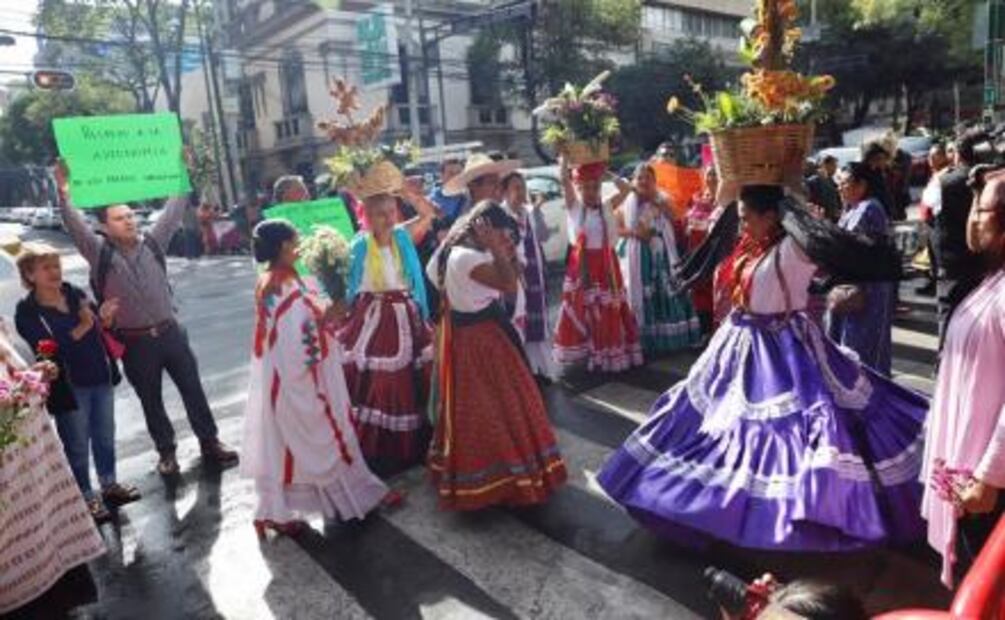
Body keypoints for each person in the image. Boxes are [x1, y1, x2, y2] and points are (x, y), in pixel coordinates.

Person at [598, 185, 928, 551]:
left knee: (776, 433)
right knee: (708, 423)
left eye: (745, 217)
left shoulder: (795, 249)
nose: (739, 225)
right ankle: (704, 510)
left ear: (771, 217)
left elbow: (815, 239)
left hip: (781, 346)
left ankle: (780, 516)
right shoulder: (750, 247)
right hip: (736, 343)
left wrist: (798, 201)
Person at [55, 157, 238, 477]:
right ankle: (166, 452)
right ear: (104, 227)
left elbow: (175, 206)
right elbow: (74, 224)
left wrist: (183, 168)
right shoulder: (99, 251)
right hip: (136, 343)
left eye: (129, 216)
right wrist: (63, 191)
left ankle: (210, 441)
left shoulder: (154, 241)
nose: (128, 221)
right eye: (119, 218)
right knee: (150, 400)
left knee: (193, 389)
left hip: (171, 333)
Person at [241, 220, 396, 537]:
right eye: (295, 239)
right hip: (299, 378)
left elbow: (298, 323)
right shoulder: (281, 284)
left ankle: (277, 511)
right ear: (284, 246)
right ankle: (360, 499)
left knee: (287, 445)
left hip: (283, 378)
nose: (299, 244)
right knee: (330, 434)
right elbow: (296, 338)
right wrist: (330, 317)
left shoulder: (276, 279)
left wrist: (325, 313)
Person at [425, 201, 567, 510]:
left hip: (483, 334)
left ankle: (512, 469)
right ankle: (496, 480)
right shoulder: (465, 257)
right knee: (489, 410)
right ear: (483, 230)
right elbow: (507, 284)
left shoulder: (463, 250)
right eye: (501, 235)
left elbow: (514, 278)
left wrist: (501, 252)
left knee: (506, 403)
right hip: (479, 341)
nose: (505, 242)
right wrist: (498, 253)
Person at [920, 169, 1005, 587]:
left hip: (990, 486)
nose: (973, 219)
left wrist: (990, 476)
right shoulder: (992, 279)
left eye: (983, 208)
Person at [13, 243, 140, 522]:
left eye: (56, 265)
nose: (54, 272)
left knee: (105, 437)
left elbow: (99, 326)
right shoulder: (27, 311)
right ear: (29, 275)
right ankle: (85, 496)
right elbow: (45, 351)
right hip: (70, 389)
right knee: (77, 445)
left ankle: (109, 485)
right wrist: (82, 327)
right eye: (45, 267)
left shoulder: (75, 293)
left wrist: (104, 319)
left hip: (100, 377)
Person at [0, 316, 105, 618]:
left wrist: (36, 375)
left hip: (33, 459)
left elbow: (14, 374)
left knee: (47, 537)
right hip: (10, 471)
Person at [341, 176, 436, 475]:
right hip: (374, 316)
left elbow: (428, 215)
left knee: (415, 376)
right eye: (380, 213)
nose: (387, 218)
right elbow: (344, 285)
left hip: (407, 312)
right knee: (383, 382)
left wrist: (408, 193)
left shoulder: (402, 236)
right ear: (365, 216)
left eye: (391, 211)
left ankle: (417, 440)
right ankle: (385, 445)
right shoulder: (357, 246)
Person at [553, 158, 643, 372]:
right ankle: (590, 353)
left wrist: (604, 170)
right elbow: (564, 181)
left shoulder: (606, 206)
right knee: (584, 308)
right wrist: (565, 161)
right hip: (583, 265)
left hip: (606, 265)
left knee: (608, 307)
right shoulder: (574, 207)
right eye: (586, 188)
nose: (591, 192)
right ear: (579, 188)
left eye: (595, 187)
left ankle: (607, 353)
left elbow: (626, 188)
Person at [615, 163, 701, 354]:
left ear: (655, 181)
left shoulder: (662, 199)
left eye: (648, 177)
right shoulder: (627, 203)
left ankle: (670, 339)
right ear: (634, 181)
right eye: (640, 178)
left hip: (662, 255)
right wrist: (635, 233)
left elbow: (675, 217)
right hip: (638, 258)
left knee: (665, 292)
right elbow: (616, 229)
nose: (644, 181)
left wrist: (659, 203)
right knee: (642, 297)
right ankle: (645, 342)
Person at [826, 163, 896, 375]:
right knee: (847, 344)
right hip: (852, 287)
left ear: (861, 185)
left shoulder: (870, 208)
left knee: (865, 349)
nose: (839, 188)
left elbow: (866, 247)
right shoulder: (851, 208)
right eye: (838, 184)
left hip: (869, 289)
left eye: (844, 184)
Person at [501, 171, 555, 381]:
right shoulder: (502, 216)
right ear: (504, 192)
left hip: (535, 274)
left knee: (538, 322)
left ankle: (540, 369)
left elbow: (544, 236)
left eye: (522, 186)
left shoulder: (530, 212)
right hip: (515, 277)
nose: (521, 192)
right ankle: (525, 371)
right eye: (515, 187)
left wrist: (538, 210)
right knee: (519, 320)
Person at [934, 130, 985, 349]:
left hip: (953, 265)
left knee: (950, 318)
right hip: (985, 264)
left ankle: (944, 364)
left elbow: (932, 223)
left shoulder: (944, 182)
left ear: (958, 154)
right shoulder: (994, 181)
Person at [686, 166, 721, 334]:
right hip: (697, 250)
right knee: (698, 288)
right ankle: (705, 331)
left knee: (715, 287)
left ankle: (717, 329)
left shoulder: (725, 200)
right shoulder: (696, 198)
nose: (712, 178)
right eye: (709, 174)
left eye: (715, 174)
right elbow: (688, 219)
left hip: (716, 250)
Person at [440, 153, 522, 218]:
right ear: (473, 186)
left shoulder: (506, 217)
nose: (498, 187)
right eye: (492, 182)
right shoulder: (461, 219)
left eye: (499, 182)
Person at [916, 143, 950, 296]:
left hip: (937, 221)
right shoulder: (934, 173)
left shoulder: (945, 174)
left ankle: (938, 286)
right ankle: (933, 282)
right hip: (928, 221)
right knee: (930, 256)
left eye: (934, 155)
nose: (930, 158)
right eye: (929, 155)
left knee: (937, 257)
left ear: (943, 156)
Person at [427, 158, 466, 225]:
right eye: (451, 173)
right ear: (441, 176)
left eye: (459, 173)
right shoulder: (431, 200)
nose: (456, 177)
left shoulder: (470, 197)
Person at [805, 154, 842, 222]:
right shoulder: (813, 182)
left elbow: (836, 198)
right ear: (824, 165)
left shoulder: (831, 181)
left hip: (833, 219)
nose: (835, 169)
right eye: (833, 165)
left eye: (836, 166)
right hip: (822, 218)